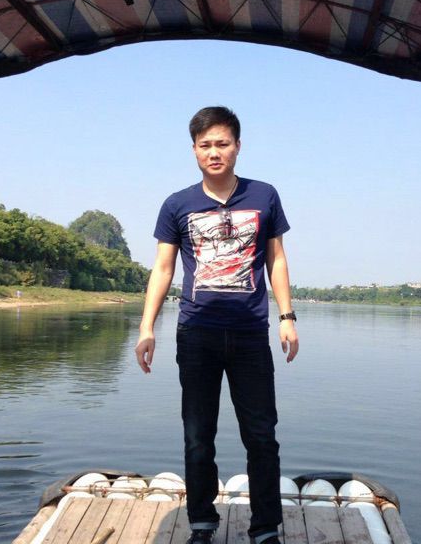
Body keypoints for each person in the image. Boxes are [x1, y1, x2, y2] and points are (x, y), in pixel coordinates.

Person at [135, 106, 299, 544]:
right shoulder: (177, 204)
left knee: (261, 436)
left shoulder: (264, 195)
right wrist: (147, 327)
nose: (214, 152)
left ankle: (265, 528)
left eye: (222, 143)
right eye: (205, 145)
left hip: (250, 334)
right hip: (197, 334)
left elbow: (276, 259)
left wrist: (286, 317)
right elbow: (163, 268)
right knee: (197, 436)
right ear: (193, 150)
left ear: (237, 146)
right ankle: (202, 524)